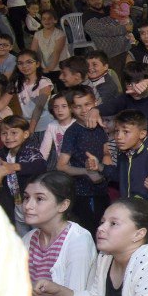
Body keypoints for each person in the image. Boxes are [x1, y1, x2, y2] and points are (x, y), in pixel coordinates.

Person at [57, 86, 111, 231]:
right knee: (92, 231)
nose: (84, 110)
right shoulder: (72, 132)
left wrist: (103, 169)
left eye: (87, 104)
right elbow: (61, 166)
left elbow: (107, 153)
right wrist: (86, 171)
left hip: (104, 188)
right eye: (77, 107)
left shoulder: (101, 125)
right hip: (84, 193)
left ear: (95, 102)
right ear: (71, 109)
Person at [95, 110, 148, 208]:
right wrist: (99, 166)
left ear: (142, 134)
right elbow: (120, 176)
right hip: (130, 207)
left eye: (126, 132)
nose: (119, 137)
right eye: (116, 131)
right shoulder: (124, 152)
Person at [0, 115, 48, 233]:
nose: (8, 137)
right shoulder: (1, 154)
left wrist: (15, 167)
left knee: (37, 232)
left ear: (25, 134)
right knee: (22, 233)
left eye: (14, 133)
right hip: (17, 202)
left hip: (33, 202)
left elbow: (40, 166)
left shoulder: (30, 150)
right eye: (4, 133)